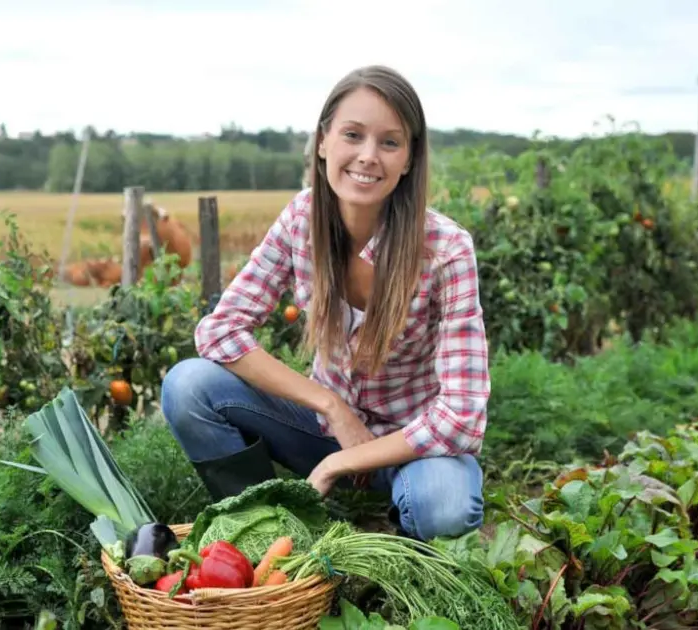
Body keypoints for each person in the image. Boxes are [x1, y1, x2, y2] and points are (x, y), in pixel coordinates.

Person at [160, 65, 490, 542]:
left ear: (410, 159)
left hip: (413, 446)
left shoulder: (446, 249)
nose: (368, 156)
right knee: (188, 385)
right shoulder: (301, 219)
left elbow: (461, 416)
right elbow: (219, 331)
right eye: (352, 135)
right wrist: (331, 405)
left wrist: (345, 459)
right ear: (322, 142)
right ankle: (275, 529)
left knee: (442, 507)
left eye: (390, 143)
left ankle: (394, 539)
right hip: (319, 429)